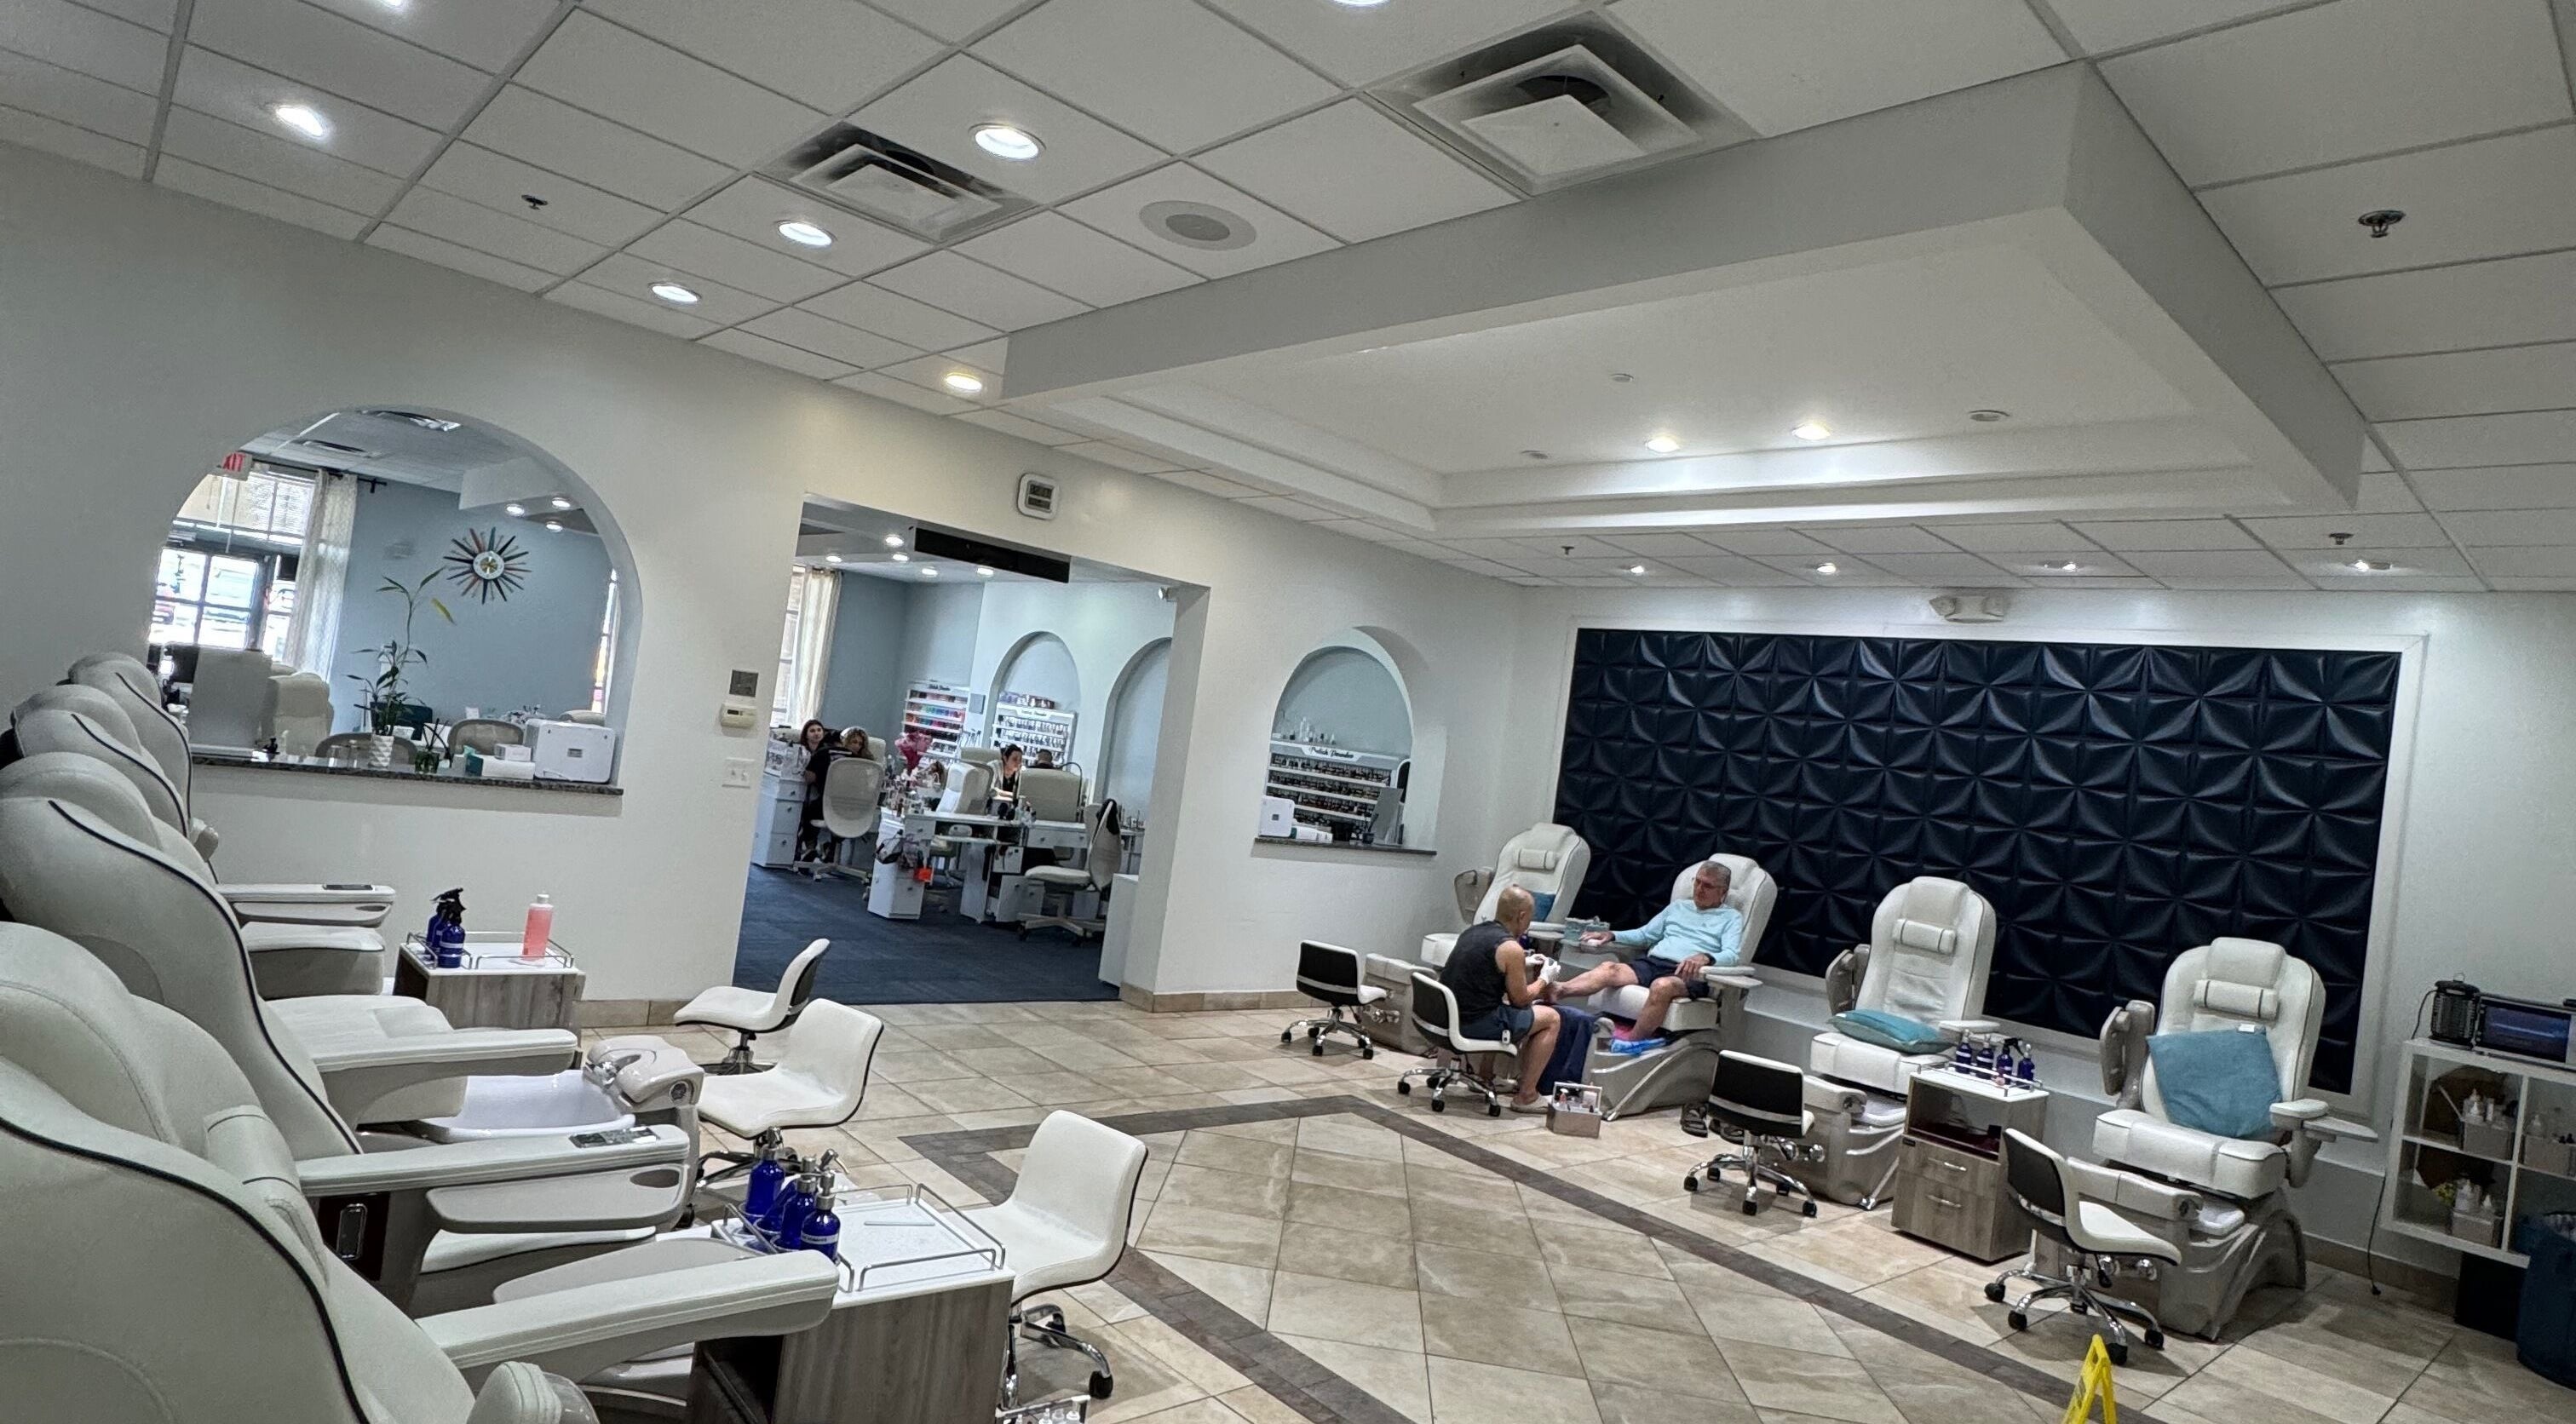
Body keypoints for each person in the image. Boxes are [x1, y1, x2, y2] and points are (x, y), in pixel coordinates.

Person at [1545, 859, 1745, 1054]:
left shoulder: (1731, 917)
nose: (1699, 889)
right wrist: (1613, 935)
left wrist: (1706, 958)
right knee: (1609, 968)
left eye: (1708, 886)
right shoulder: (1678, 907)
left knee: (1662, 986)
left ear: (1723, 893)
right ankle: (1559, 990)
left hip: (1689, 973)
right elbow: (1645, 934)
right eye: (1698, 882)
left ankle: (1631, 1044)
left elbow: (1732, 955)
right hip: (1654, 962)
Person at [1436, 884, 1560, 1113]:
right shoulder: (1510, 948)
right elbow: (1520, 1001)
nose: (1529, 924)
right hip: (1471, 1024)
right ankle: (1527, 1096)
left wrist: (1521, 962)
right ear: (1522, 916)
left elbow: (1487, 967)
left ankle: (1486, 1076)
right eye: (1529, 919)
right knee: (1551, 1018)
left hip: (1445, 1016)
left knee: (1496, 1005)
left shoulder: (1472, 932)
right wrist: (1544, 978)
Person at [793, 720, 836, 860]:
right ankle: (806, 847)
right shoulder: (800, 751)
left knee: (813, 809)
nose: (816, 733)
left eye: (819, 730)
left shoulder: (828, 752)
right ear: (806, 735)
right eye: (812, 731)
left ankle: (811, 847)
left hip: (822, 790)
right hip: (802, 788)